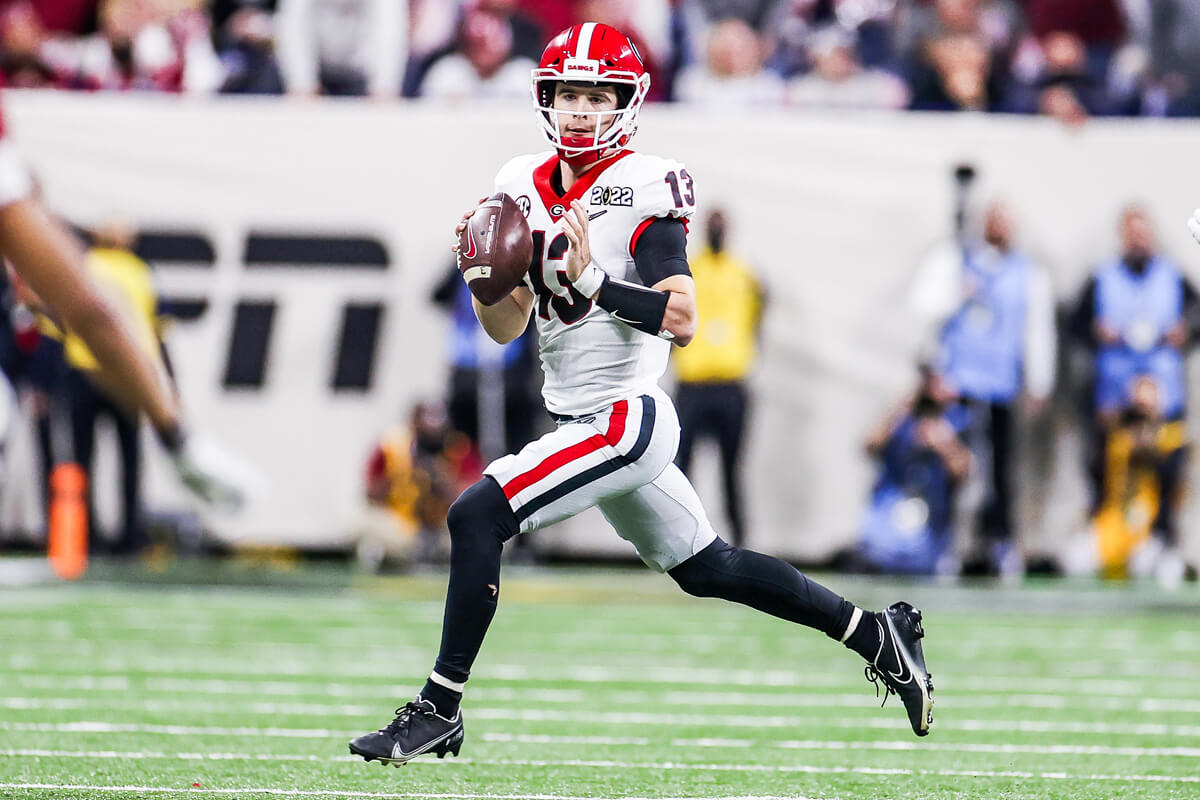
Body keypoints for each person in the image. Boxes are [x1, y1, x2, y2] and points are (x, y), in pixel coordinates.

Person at [348, 22, 935, 768]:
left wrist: (592, 280)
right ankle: (876, 634)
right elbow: (506, 330)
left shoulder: (647, 185)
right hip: (578, 414)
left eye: (599, 95)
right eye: (569, 95)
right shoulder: (519, 182)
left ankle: (439, 709)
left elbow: (683, 318)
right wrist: (484, 278)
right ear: (547, 101)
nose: (582, 111)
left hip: (629, 416)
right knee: (708, 567)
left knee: (476, 513)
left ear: (625, 103)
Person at [0, 88, 237, 509]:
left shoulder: (134, 269)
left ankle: (123, 537)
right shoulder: (88, 258)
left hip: (99, 369)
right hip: (100, 367)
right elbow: (92, 313)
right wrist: (175, 432)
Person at [909, 198, 1056, 577]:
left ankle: (1000, 543)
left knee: (1000, 472)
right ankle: (945, 545)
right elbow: (923, 306)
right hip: (956, 385)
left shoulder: (1027, 271)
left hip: (1000, 387)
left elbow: (1036, 329)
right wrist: (957, 293)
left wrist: (1039, 381)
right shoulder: (955, 260)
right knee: (951, 467)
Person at [671, 207, 764, 548]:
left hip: (730, 384)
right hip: (693, 383)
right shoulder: (689, 269)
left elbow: (758, 313)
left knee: (732, 471)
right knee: (681, 469)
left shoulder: (744, 272)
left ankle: (740, 542)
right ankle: (679, 539)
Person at [853, 361, 971, 576]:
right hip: (885, 528)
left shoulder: (956, 421)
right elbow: (869, 445)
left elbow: (963, 471)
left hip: (928, 534)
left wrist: (943, 444)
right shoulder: (901, 419)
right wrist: (903, 406)